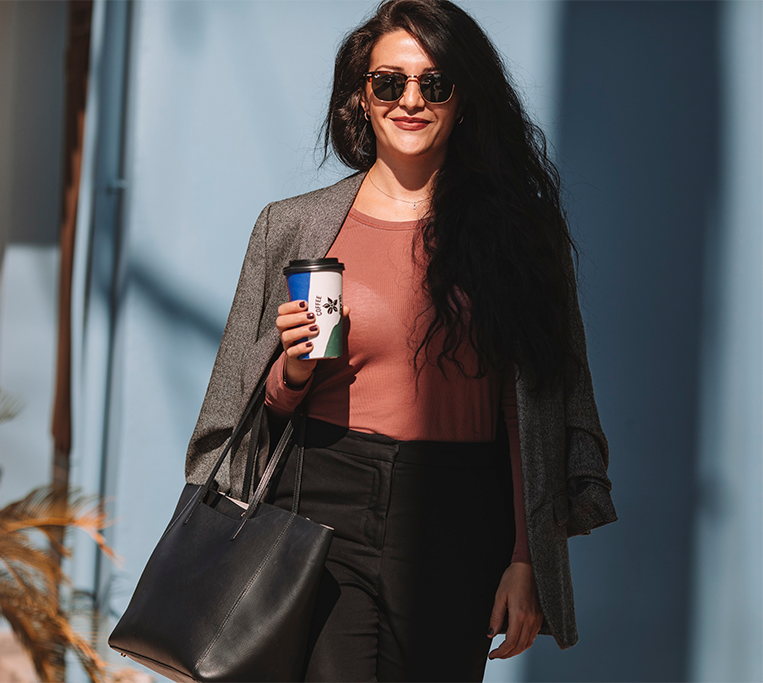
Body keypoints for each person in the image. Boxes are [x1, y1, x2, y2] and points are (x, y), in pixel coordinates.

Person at [184, 0, 618, 680]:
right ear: (362, 97)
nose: (409, 100)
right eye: (389, 82)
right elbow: (246, 414)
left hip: (459, 511)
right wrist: (291, 372)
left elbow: (527, 407)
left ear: (464, 98)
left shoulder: (518, 238)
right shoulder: (294, 228)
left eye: (433, 82)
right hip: (322, 501)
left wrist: (527, 557)